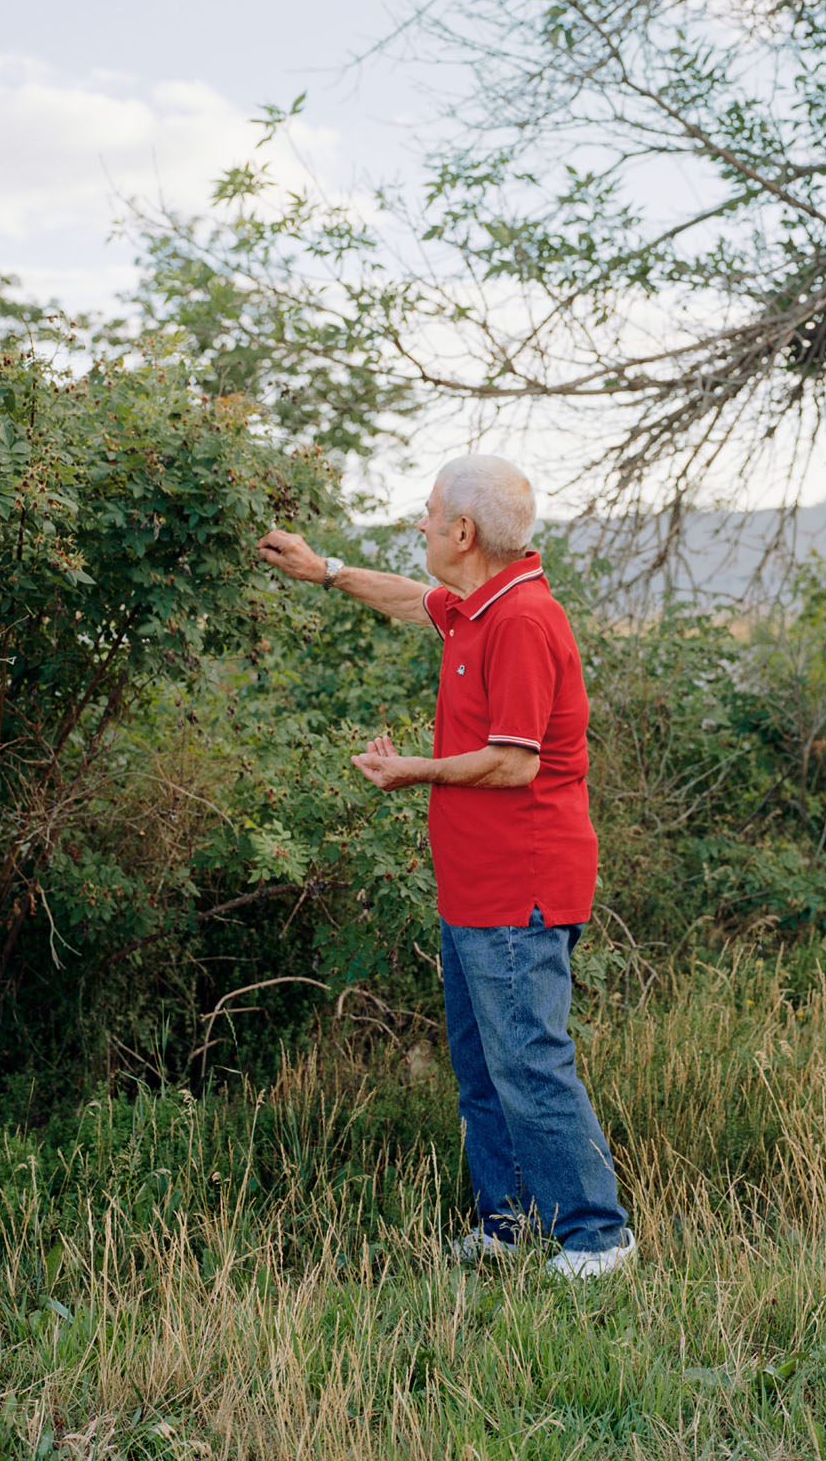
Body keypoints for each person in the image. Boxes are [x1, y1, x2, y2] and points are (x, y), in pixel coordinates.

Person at [256, 454, 636, 1279]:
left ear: (461, 532)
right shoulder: (476, 605)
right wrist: (325, 572)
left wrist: (412, 770)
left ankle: (597, 1238)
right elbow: (407, 598)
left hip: (520, 886)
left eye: (427, 514)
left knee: (530, 1060)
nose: (420, 526)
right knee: (482, 1065)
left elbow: (513, 763)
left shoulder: (523, 621)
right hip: (473, 887)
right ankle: (508, 1224)